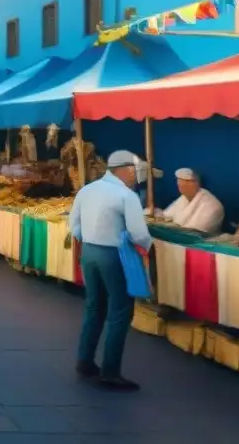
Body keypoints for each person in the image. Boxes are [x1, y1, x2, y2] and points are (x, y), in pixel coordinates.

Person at [68, 150, 153, 391]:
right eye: (134, 171)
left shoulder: (87, 190)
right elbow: (139, 234)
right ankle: (111, 370)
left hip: (90, 253)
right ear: (125, 169)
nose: (135, 177)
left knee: (94, 306)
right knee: (120, 310)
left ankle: (85, 360)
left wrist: (88, 240)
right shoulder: (126, 196)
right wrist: (147, 247)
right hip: (114, 256)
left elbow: (74, 225)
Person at [153, 167, 224, 235]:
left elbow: (196, 233)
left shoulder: (212, 206)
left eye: (186, 181)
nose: (180, 185)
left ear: (196, 183)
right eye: (179, 182)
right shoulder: (183, 198)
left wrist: (168, 226)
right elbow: (166, 215)